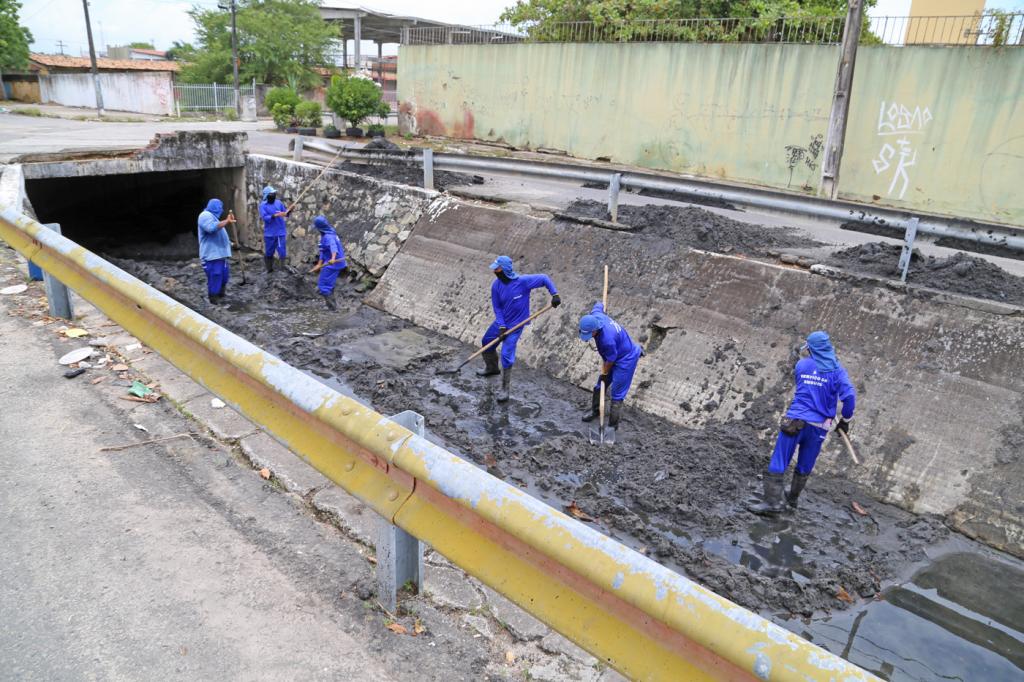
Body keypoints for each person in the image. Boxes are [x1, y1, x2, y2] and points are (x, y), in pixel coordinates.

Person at [749, 331, 857, 516]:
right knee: (805, 464)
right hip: (819, 427)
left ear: (811, 349)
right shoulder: (838, 371)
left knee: (780, 459)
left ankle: (773, 504)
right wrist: (844, 421)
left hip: (795, 421)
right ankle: (792, 499)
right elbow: (850, 398)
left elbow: (808, 388)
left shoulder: (802, 365)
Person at [478, 255, 560, 402]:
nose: (494, 271)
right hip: (501, 323)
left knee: (506, 355)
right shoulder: (496, 286)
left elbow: (544, 278)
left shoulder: (523, 282)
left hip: (516, 325)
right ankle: (492, 368)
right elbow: (497, 307)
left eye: (497, 269)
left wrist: (554, 294)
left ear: (504, 270)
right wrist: (501, 325)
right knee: (486, 343)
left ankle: (505, 390)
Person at [578, 302, 643, 432]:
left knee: (617, 394)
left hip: (625, 359)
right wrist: (601, 305)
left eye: (589, 334)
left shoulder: (606, 340)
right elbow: (599, 305)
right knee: (599, 386)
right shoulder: (596, 315)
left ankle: (612, 426)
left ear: (595, 330)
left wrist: (605, 373)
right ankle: (595, 411)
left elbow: (611, 360)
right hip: (616, 351)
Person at [197, 198, 235, 305]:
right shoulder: (204, 216)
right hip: (211, 257)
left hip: (220, 256)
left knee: (224, 278)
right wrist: (227, 221)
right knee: (216, 277)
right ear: (214, 207)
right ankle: (213, 302)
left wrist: (232, 245)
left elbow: (221, 237)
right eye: (220, 207)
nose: (221, 210)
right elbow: (211, 228)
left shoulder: (215, 219)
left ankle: (221, 298)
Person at [310, 215, 346, 311]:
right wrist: (319, 264)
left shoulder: (328, 237)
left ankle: (332, 309)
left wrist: (333, 258)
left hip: (333, 263)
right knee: (328, 284)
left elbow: (333, 247)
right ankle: (333, 306)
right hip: (331, 262)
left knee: (323, 286)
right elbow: (323, 250)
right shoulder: (328, 233)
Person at [259, 185, 289, 273]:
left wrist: (289, 211)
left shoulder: (279, 203)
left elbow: (285, 213)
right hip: (269, 233)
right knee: (269, 252)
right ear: (267, 196)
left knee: (282, 252)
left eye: (274, 193)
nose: (273, 195)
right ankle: (269, 269)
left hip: (280, 232)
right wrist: (275, 215)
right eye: (271, 194)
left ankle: (282, 270)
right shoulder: (263, 205)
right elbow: (265, 217)